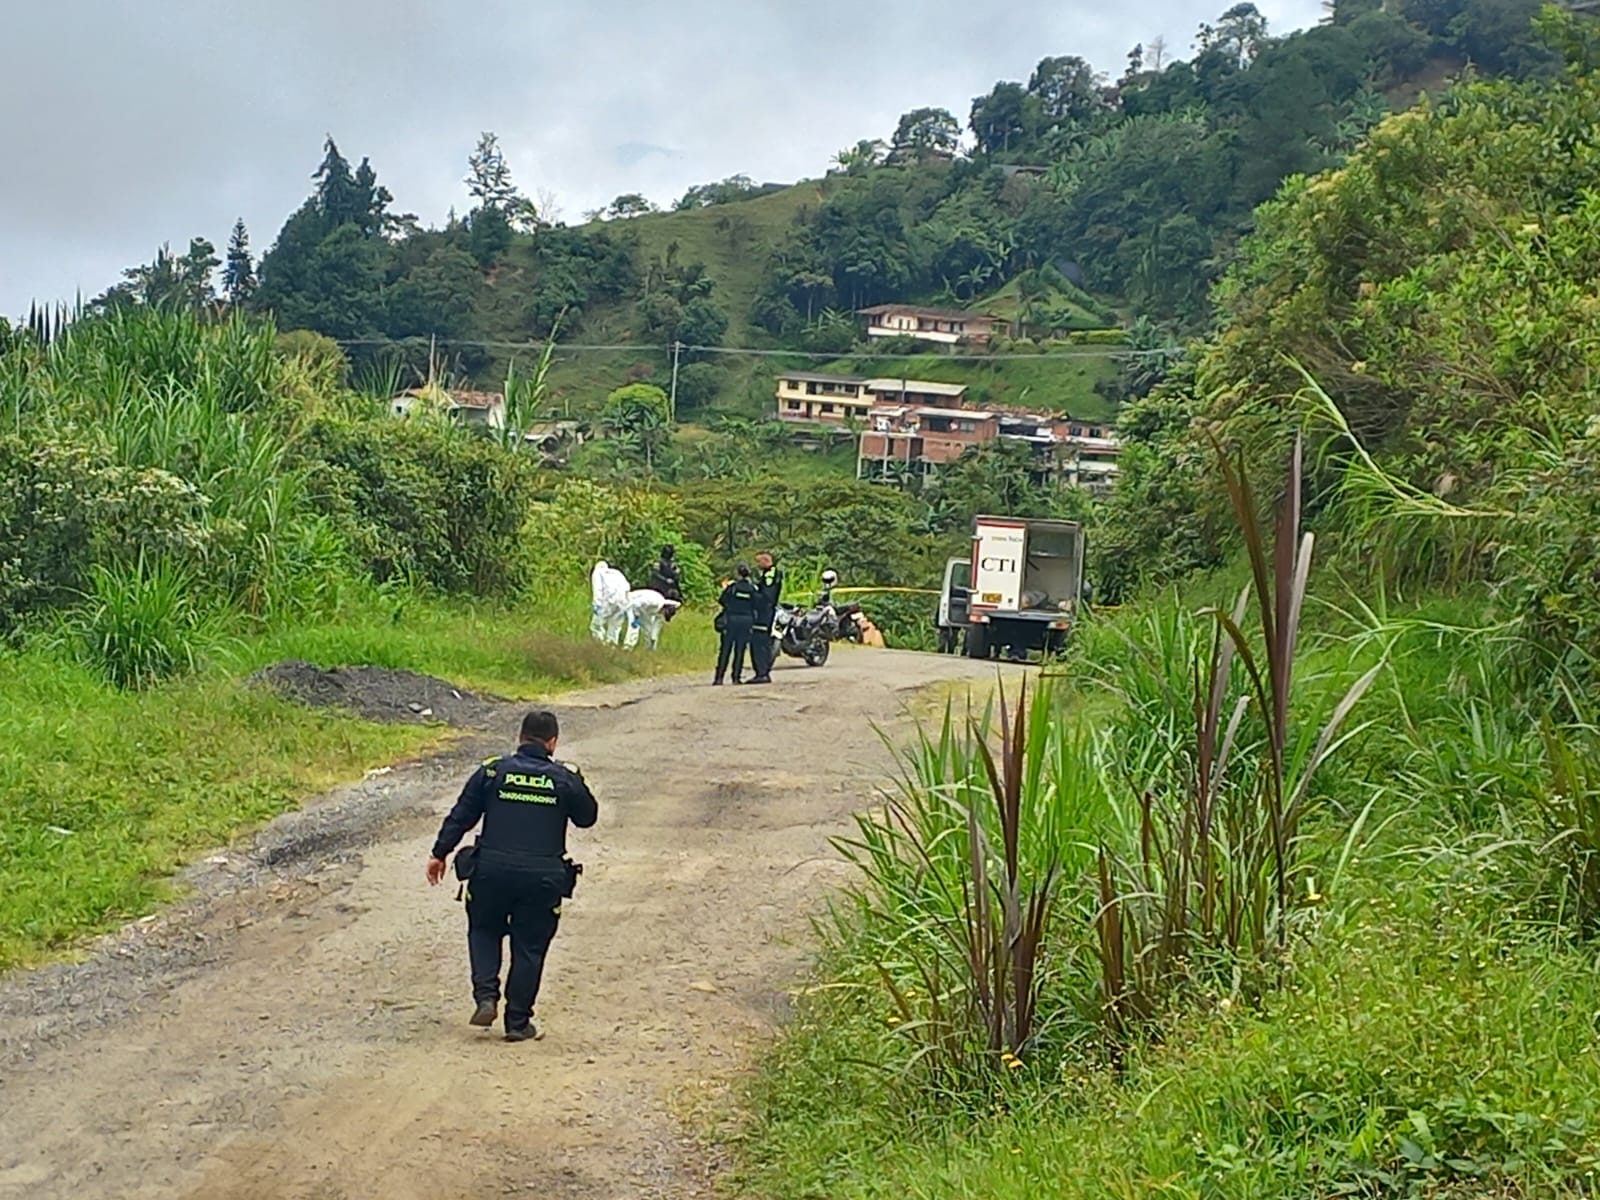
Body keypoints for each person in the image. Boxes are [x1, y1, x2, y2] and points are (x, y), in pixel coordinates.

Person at [426, 709, 597, 1042]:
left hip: (490, 872)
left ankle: (486, 996)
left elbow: (462, 815)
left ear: (520, 737)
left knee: (484, 929)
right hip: (542, 878)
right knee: (530, 946)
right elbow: (587, 818)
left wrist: (439, 852)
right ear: (553, 742)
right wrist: (572, 785)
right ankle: (518, 1023)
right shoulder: (564, 777)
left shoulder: (493, 771)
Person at [713, 563, 760, 685]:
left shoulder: (732, 587)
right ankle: (736, 677)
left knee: (725, 650)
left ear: (738, 573)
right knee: (740, 650)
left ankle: (719, 678)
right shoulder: (752, 589)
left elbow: (722, 600)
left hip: (731, 620)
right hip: (746, 621)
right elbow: (757, 605)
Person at [749, 551, 784, 684]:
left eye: (759, 562)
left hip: (764, 613)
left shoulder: (770, 574)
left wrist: (753, 593)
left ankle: (762, 672)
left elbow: (768, 596)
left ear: (766, 561)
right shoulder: (768, 573)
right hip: (766, 612)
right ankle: (762, 672)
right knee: (760, 641)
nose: (757, 565)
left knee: (760, 642)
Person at [590, 560, 630, 645]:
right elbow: (627, 587)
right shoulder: (617, 573)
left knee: (596, 625)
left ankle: (600, 645)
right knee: (615, 627)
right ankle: (611, 646)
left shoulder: (597, 572)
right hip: (622, 603)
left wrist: (597, 604)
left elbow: (598, 589)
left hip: (608, 602)